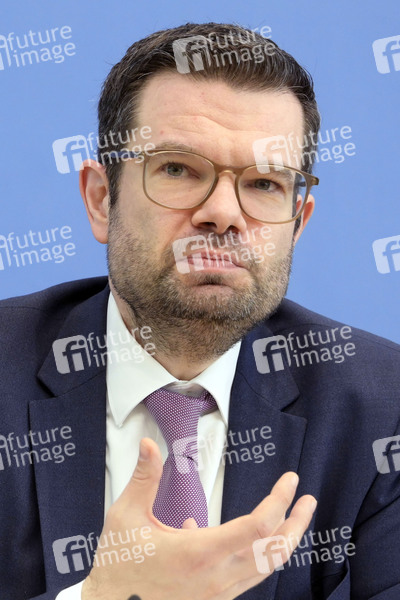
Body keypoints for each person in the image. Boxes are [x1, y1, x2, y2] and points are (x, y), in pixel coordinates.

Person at [1, 21, 399, 600]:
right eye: (178, 169)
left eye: (264, 183)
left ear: (297, 224)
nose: (224, 214)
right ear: (101, 200)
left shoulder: (385, 410)